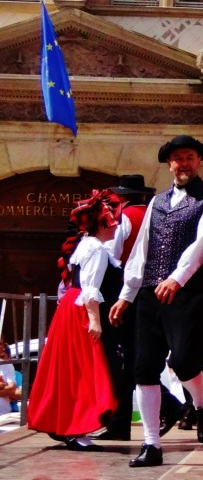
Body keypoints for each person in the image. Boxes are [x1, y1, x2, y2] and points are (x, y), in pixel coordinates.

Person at [108, 135, 203, 468]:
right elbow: (141, 250)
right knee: (144, 368)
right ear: (169, 164)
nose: (183, 163)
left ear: (198, 161)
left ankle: (202, 405)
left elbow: (202, 245)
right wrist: (126, 295)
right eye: (177, 158)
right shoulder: (157, 202)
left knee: (185, 361)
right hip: (149, 294)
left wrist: (177, 278)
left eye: (189, 157)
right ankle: (151, 444)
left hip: (187, 293)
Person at [27, 190, 121, 451]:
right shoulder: (98, 249)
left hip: (71, 305)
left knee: (67, 368)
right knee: (81, 370)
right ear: (101, 224)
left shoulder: (86, 244)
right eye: (112, 222)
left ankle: (65, 423)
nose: (115, 226)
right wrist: (95, 321)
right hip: (80, 308)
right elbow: (90, 288)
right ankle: (74, 427)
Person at [91, 174, 158, 441]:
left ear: (122, 195)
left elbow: (113, 254)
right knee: (138, 354)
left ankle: (119, 420)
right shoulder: (154, 215)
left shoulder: (125, 218)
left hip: (123, 293)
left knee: (119, 356)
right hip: (151, 290)